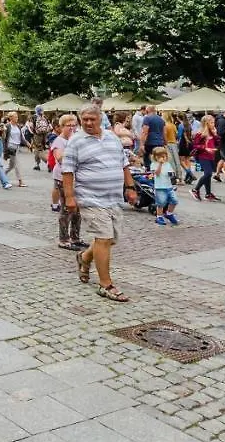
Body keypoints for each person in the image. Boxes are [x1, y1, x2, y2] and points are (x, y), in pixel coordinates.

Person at [62, 105, 135, 302]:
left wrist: (131, 187)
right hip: (90, 198)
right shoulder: (75, 141)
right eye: (84, 119)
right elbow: (67, 171)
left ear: (100, 118)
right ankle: (106, 285)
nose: (88, 122)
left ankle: (84, 258)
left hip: (113, 198)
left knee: (111, 239)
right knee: (103, 238)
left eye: (92, 119)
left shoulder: (112, 137)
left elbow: (123, 163)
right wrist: (69, 197)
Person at [49, 114, 83, 249]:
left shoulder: (76, 140)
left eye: (74, 125)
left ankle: (75, 237)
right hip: (62, 178)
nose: (72, 128)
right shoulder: (59, 141)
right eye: (69, 125)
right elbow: (60, 158)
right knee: (66, 209)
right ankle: (63, 239)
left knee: (78, 210)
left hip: (76, 177)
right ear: (62, 127)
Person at [191, 114, 220, 201]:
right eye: (211, 123)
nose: (213, 124)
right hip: (203, 155)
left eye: (213, 122)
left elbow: (218, 143)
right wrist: (205, 148)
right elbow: (195, 145)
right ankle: (195, 189)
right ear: (206, 123)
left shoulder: (212, 132)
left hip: (211, 155)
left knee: (208, 175)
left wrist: (215, 134)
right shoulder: (200, 134)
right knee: (208, 173)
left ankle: (208, 193)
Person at [149, 146, 179, 225]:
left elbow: (171, 173)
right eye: (159, 157)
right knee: (161, 203)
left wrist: (173, 176)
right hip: (160, 187)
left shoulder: (168, 164)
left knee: (174, 200)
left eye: (164, 156)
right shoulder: (153, 164)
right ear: (155, 157)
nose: (162, 158)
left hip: (169, 186)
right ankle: (159, 216)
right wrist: (160, 164)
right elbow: (157, 173)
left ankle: (169, 213)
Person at [3, 112, 25, 187]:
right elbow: (4, 138)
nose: (17, 118)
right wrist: (4, 149)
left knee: (11, 165)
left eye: (17, 117)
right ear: (11, 118)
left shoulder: (18, 126)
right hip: (11, 147)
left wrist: (28, 143)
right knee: (17, 164)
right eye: (15, 117)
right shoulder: (7, 126)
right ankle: (20, 181)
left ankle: (1, 175)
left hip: (17, 146)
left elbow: (21, 137)